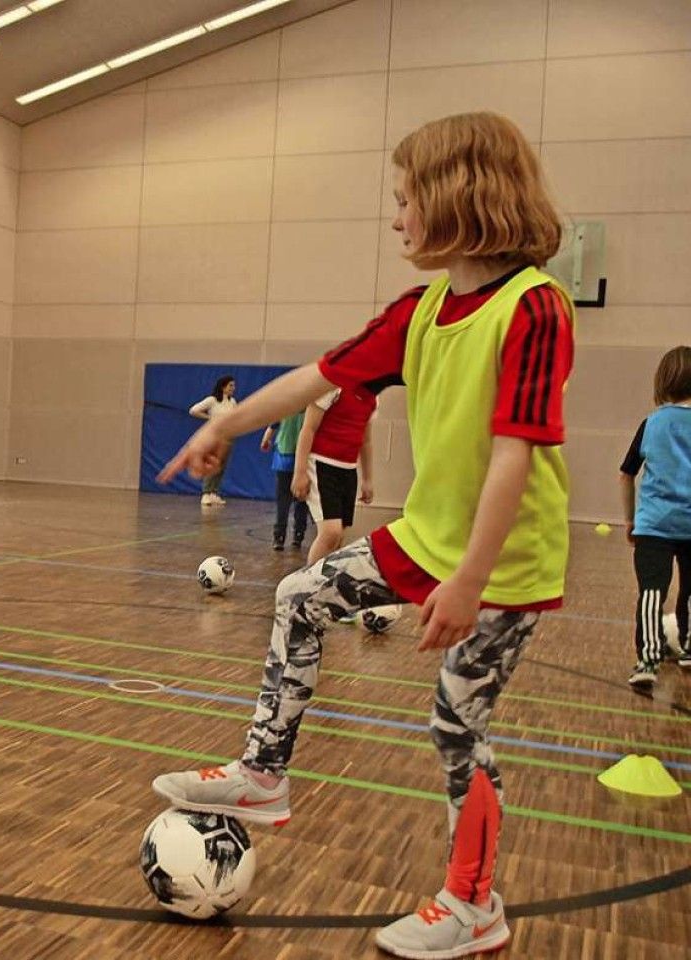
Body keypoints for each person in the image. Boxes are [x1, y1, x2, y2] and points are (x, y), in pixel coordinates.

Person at [151, 112, 574, 960]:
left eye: (404, 199)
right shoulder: (420, 311)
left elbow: (513, 460)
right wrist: (223, 427)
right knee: (299, 595)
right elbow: (318, 375)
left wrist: (468, 582)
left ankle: (473, 903)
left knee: (458, 726)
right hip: (426, 535)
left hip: (503, 560)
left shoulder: (536, 308)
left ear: (456, 196)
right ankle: (263, 775)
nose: (396, 219)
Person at [619, 345, 691, 686]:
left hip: (654, 525)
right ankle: (688, 647)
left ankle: (647, 660)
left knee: (652, 591)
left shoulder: (651, 424)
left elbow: (626, 473)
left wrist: (630, 518)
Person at [291, 383, 380, 566]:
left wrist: (367, 479)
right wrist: (300, 472)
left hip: (348, 469)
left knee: (338, 537)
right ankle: (309, 585)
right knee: (331, 532)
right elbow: (308, 429)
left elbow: (366, 441)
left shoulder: (373, 398)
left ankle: (325, 583)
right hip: (322, 465)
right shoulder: (333, 388)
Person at [260, 411, 307, 551]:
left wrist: (265, 441)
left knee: (283, 500)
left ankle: (279, 537)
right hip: (304, 458)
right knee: (302, 499)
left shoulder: (288, 405)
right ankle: (298, 535)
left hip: (284, 456)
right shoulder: (312, 404)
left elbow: (272, 426)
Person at [188, 375, 237, 506]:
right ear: (223, 386)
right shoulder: (212, 400)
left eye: (233, 386)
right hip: (215, 437)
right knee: (212, 463)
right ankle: (206, 493)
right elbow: (193, 411)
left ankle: (214, 493)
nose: (233, 388)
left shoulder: (232, 402)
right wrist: (209, 418)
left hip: (228, 437)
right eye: (230, 385)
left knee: (221, 466)